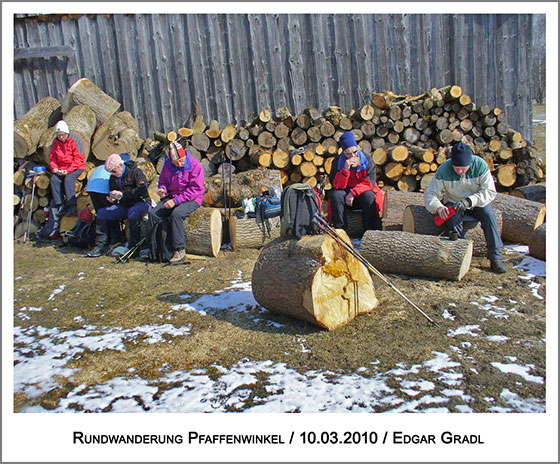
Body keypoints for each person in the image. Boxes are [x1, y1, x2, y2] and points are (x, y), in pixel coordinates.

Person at [424, 142, 506, 274]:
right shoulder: (444, 169)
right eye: (457, 168)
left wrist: (469, 201)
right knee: (452, 222)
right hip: (454, 202)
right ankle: (461, 255)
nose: (460, 171)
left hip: (476, 201)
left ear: (470, 162)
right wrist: (438, 207)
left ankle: (495, 256)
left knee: (489, 216)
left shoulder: (480, 165)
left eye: (464, 168)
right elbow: (431, 194)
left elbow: (489, 192)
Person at [142, 141, 205, 265]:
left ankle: (179, 250)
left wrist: (176, 201)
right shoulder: (168, 165)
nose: (179, 164)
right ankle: (152, 248)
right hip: (172, 196)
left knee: (176, 214)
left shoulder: (195, 165)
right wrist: (162, 189)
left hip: (192, 199)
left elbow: (195, 189)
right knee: (154, 214)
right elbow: (163, 181)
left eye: (181, 160)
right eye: (176, 162)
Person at [86, 153, 151, 257]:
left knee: (133, 213)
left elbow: (142, 190)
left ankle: (134, 247)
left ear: (120, 165)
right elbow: (115, 193)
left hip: (141, 202)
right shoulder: (113, 177)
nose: (113, 173)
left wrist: (123, 195)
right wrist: (113, 199)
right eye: (110, 172)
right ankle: (100, 246)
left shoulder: (135, 172)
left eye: (113, 171)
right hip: (124, 205)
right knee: (102, 213)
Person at [328, 131, 383, 232]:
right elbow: (336, 185)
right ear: (344, 152)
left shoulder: (367, 159)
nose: (353, 155)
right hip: (346, 196)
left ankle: (369, 230)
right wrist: (345, 169)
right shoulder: (337, 162)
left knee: (369, 195)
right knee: (336, 196)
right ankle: (340, 230)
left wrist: (353, 193)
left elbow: (370, 182)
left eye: (355, 152)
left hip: (360, 194)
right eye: (349, 153)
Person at [49, 120, 85, 219]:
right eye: (59, 135)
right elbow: (53, 157)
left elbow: (79, 158)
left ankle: (71, 206)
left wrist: (68, 170)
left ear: (67, 133)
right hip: (61, 168)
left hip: (76, 167)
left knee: (69, 180)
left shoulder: (75, 140)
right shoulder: (55, 142)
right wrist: (54, 167)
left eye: (63, 135)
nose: (61, 137)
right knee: (54, 180)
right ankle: (60, 204)